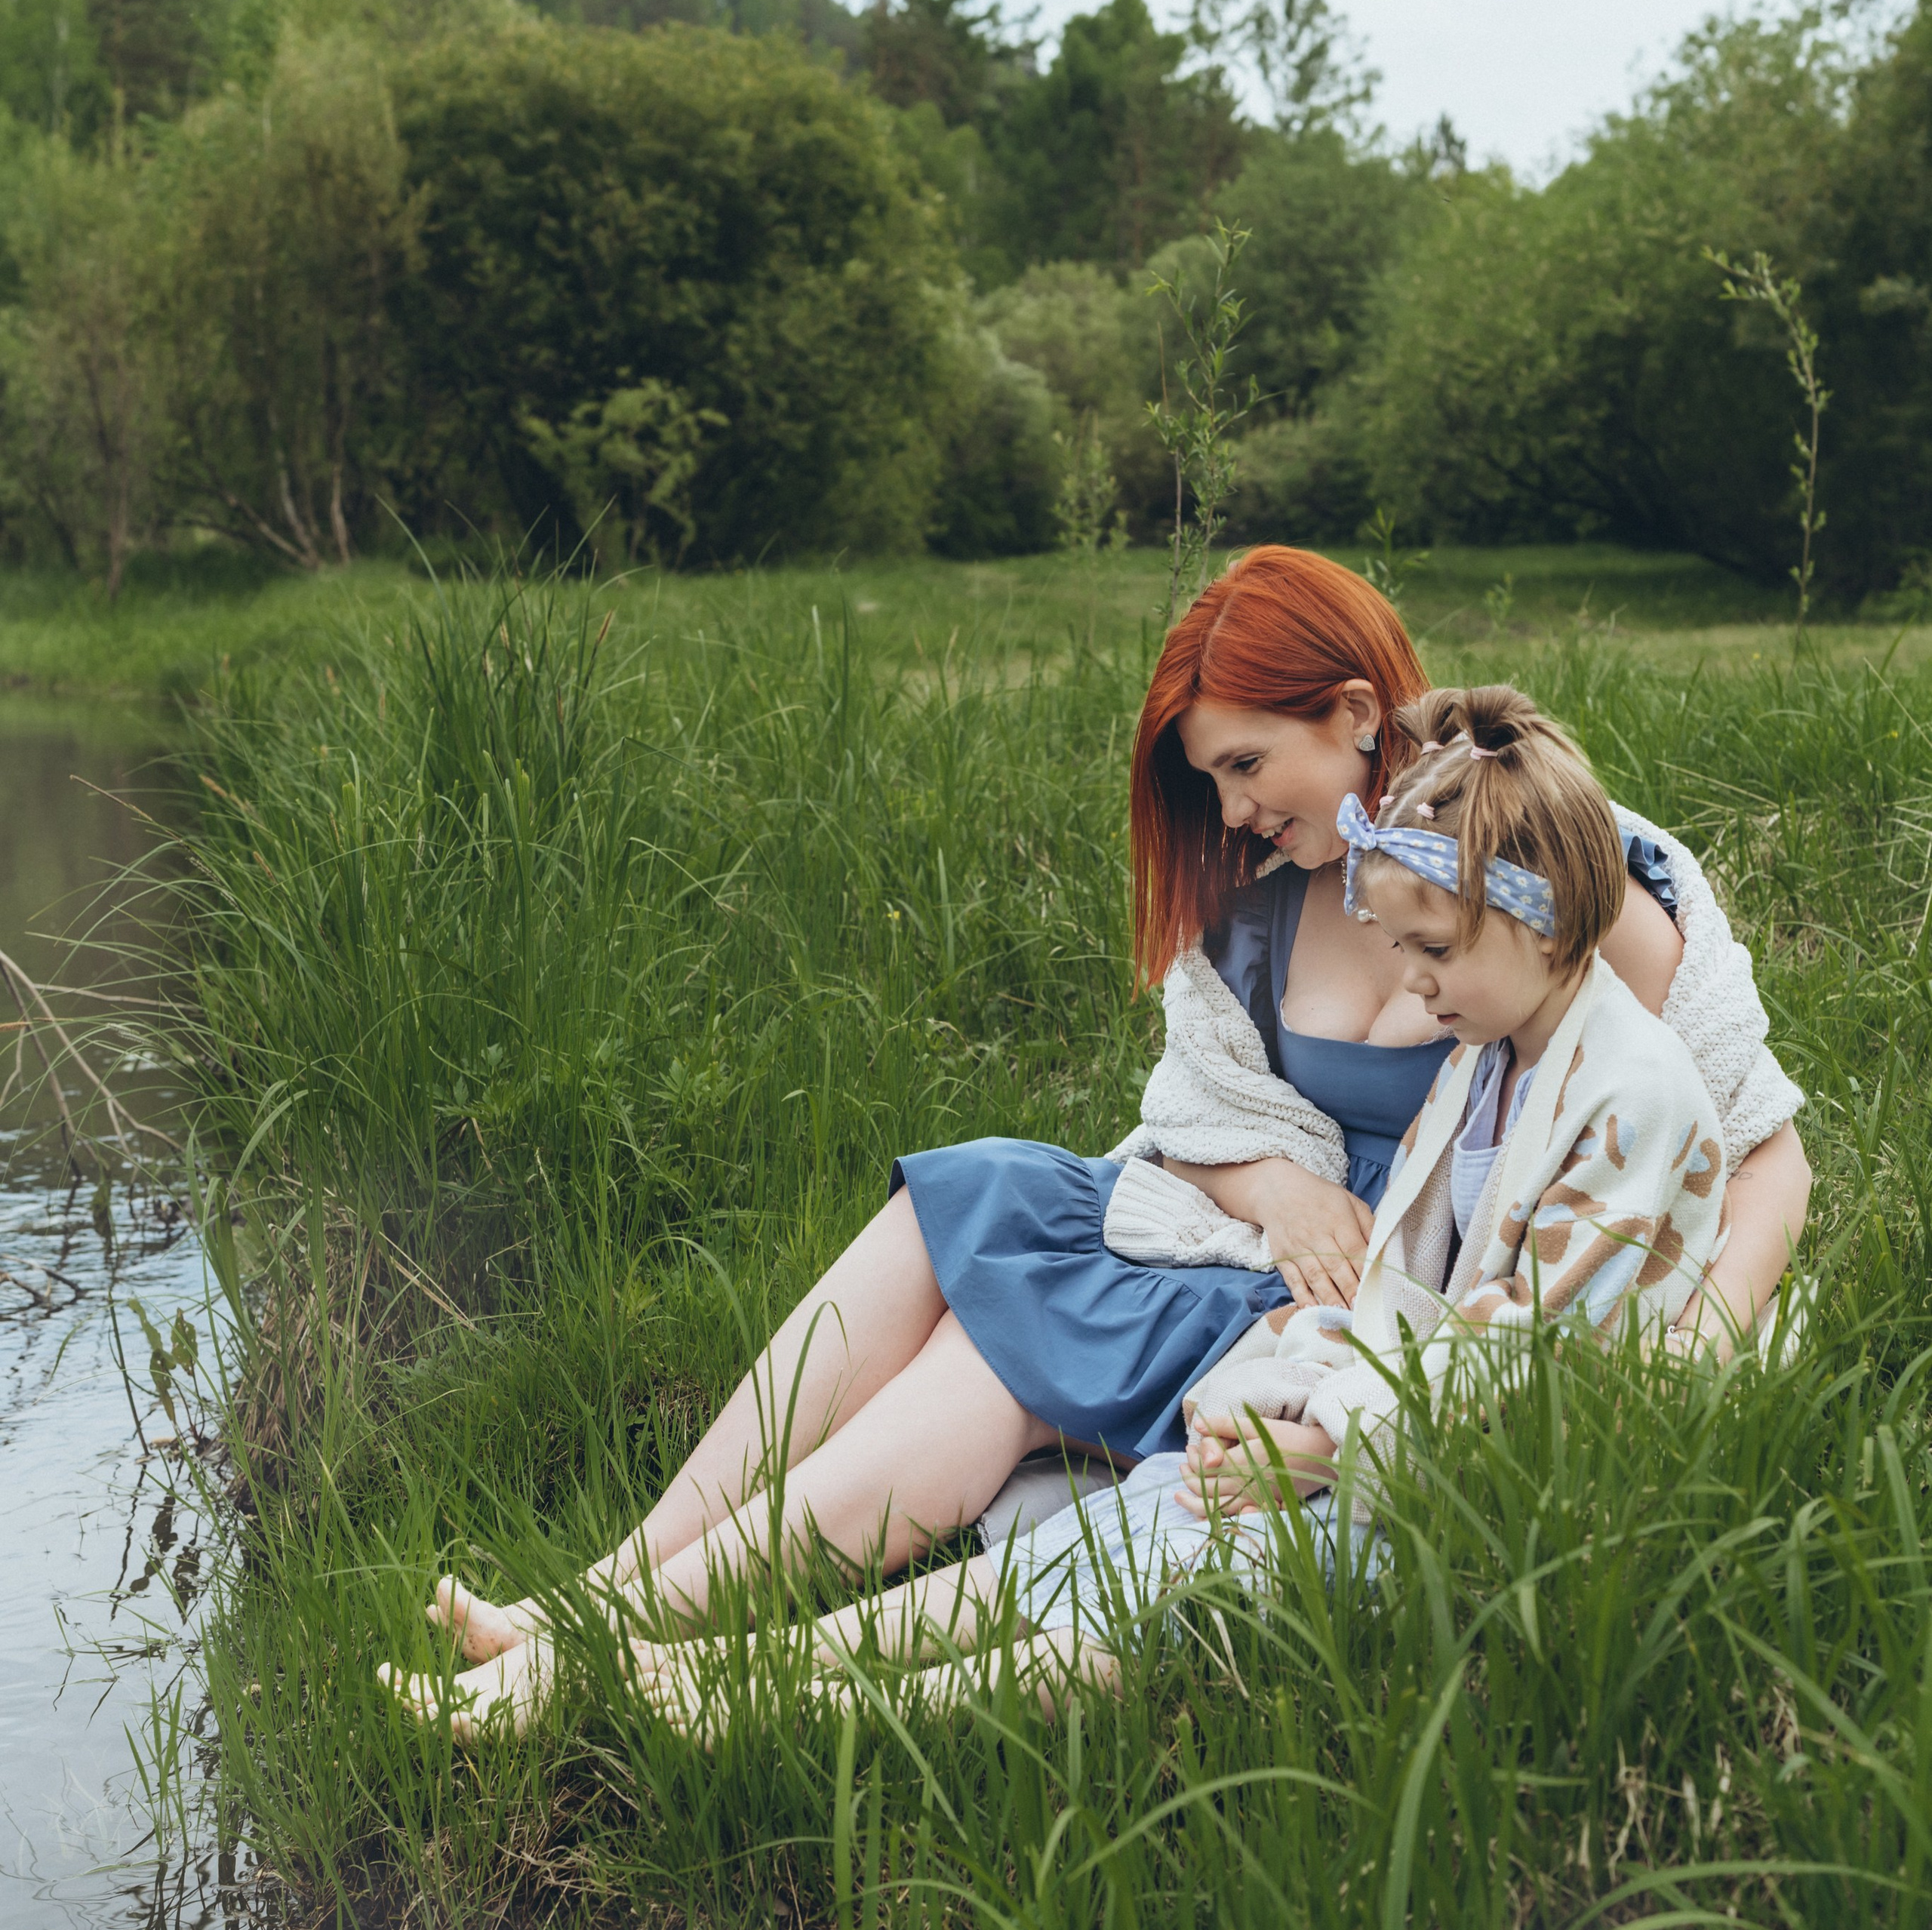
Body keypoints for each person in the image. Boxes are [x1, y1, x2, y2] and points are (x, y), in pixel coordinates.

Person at [405, 547, 1808, 1725]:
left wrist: (1681, 1374)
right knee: (967, 1201)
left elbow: (1755, 1155)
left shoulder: (1547, 874)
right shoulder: (1268, 897)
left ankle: (657, 1662)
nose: (1236, 812)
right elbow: (1197, 1119)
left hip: (1383, 1294)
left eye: (1251, 763)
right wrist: (1274, 1187)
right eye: (1212, 784)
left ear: (1361, 714)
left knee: (989, 1355)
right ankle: (606, 1592)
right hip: (1271, 1237)